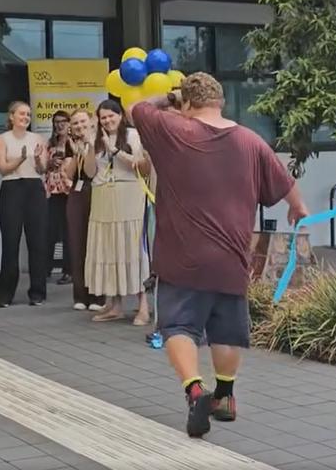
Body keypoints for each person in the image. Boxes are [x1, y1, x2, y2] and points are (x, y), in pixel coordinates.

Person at [130, 72, 308, 439]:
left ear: (188, 104)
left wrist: (169, 101)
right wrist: (298, 208)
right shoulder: (250, 140)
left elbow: (136, 108)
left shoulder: (171, 130)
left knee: (178, 326)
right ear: (221, 101)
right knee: (226, 330)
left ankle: (195, 390)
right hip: (232, 258)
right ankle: (225, 395)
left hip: (182, 256)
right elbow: (287, 185)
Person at [82, 100, 152, 324]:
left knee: (131, 247)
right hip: (102, 194)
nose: (107, 121)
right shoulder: (95, 139)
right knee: (109, 247)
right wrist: (91, 146)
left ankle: (143, 307)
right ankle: (115, 305)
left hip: (128, 194)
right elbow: (90, 172)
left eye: (111, 116)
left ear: (120, 115)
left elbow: (144, 167)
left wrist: (116, 151)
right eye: (103, 118)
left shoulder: (132, 136)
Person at [0, 101, 49, 307]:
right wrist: (21, 158)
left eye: (28, 115)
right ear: (12, 117)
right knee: (10, 242)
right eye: (22, 114)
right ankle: (5, 295)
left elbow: (42, 169)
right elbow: (3, 168)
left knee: (37, 242)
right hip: (12, 189)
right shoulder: (2, 139)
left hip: (34, 188)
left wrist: (38, 159)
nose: (26, 117)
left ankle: (37, 292)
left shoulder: (38, 138)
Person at [62, 109, 105, 312]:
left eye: (82, 122)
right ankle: (80, 294)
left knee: (95, 244)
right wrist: (75, 152)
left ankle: (98, 295)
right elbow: (69, 174)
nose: (79, 126)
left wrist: (87, 148)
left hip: (97, 192)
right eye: (75, 123)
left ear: (92, 122)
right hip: (77, 194)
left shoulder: (99, 141)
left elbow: (90, 171)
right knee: (77, 243)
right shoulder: (71, 144)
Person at [44, 111, 74, 284]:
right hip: (53, 192)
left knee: (68, 232)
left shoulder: (73, 142)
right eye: (56, 121)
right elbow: (42, 167)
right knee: (50, 231)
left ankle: (69, 270)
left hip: (68, 191)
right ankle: (45, 268)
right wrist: (50, 163)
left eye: (63, 121)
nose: (60, 125)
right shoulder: (50, 143)